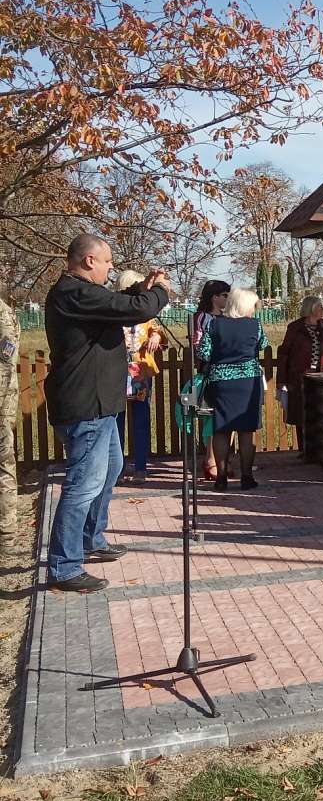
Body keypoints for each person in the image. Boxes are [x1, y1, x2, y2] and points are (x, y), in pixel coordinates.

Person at [44, 234, 170, 592]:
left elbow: (117, 304)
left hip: (101, 404)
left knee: (111, 468)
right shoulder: (74, 293)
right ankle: (64, 567)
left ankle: (91, 538)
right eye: (108, 261)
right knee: (83, 483)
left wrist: (140, 288)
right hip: (86, 405)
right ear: (88, 261)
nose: (111, 267)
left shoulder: (83, 295)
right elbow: (135, 310)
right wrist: (159, 291)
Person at [196, 288, 268, 490]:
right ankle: (246, 477)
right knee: (247, 430)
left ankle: (220, 478)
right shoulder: (255, 325)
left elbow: (203, 351)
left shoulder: (215, 324)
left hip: (222, 381)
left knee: (222, 429)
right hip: (248, 381)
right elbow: (263, 343)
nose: (255, 310)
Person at [113, 270, 165, 482]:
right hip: (116, 373)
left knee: (141, 420)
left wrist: (155, 335)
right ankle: (117, 469)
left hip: (140, 373)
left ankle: (141, 468)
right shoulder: (114, 311)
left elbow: (158, 331)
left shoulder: (146, 314)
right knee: (117, 423)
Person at [277, 295, 323, 451]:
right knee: (302, 413)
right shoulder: (295, 328)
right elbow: (284, 353)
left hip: (322, 377)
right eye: (320, 307)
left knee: (321, 410)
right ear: (311, 308)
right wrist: (281, 379)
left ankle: (321, 449)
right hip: (299, 377)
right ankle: (304, 449)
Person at [191, 279, 230, 478]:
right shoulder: (201, 317)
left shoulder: (227, 318)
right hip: (208, 371)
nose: (227, 299)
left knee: (223, 418)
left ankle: (221, 459)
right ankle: (210, 460)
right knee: (210, 417)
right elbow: (198, 345)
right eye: (224, 295)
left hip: (226, 371)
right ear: (214, 297)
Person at [0, 295, 19, 550]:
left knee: (4, 466)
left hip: (1, 404)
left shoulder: (2, 314)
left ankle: (6, 533)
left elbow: (5, 366)